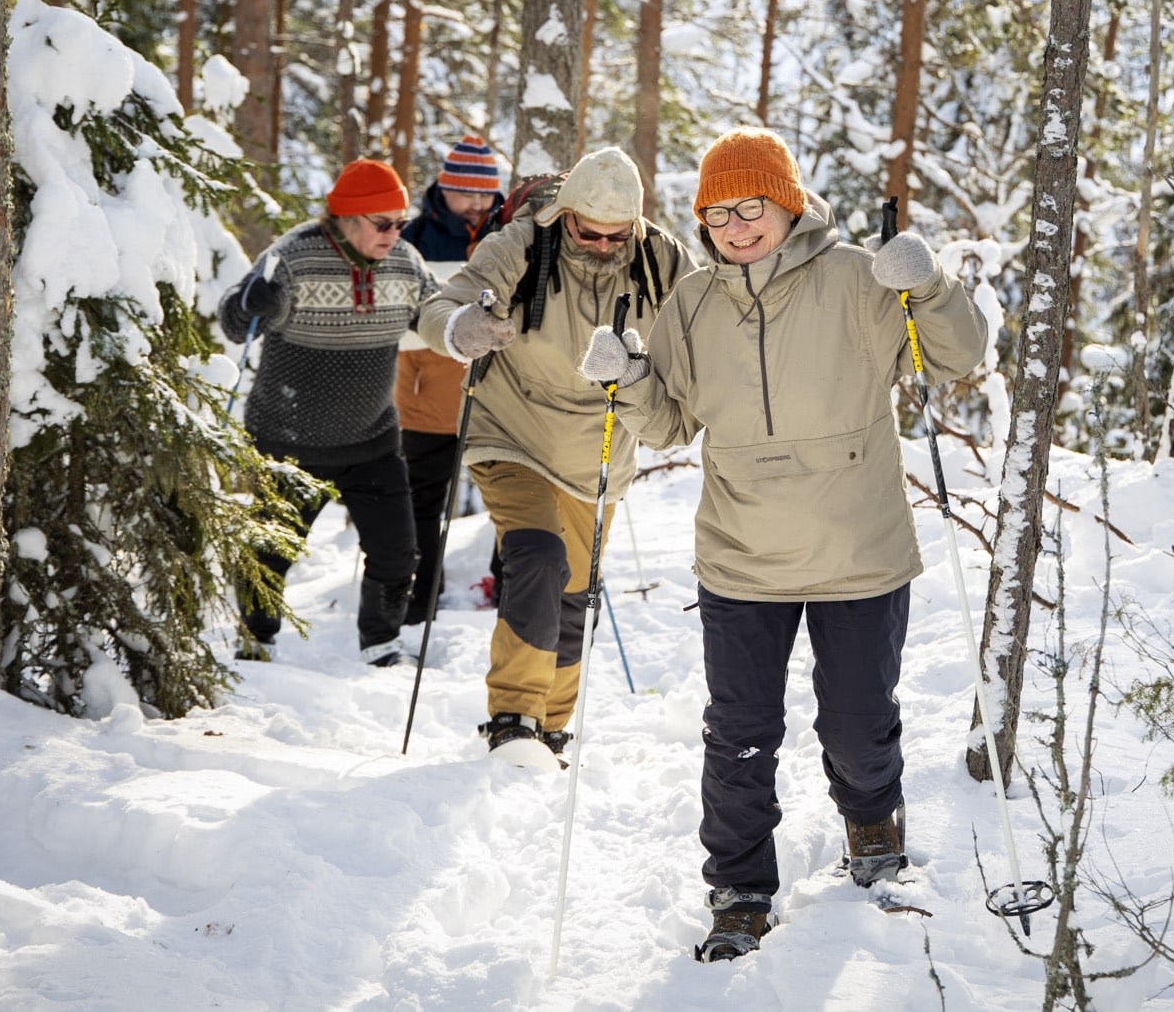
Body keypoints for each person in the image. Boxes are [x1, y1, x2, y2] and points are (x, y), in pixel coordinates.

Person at [576, 128, 988, 961]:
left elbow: (956, 356)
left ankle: (873, 822)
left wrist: (931, 284)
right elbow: (667, 423)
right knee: (740, 734)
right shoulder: (691, 303)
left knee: (859, 723)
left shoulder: (854, 279)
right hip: (741, 555)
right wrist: (628, 376)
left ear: (788, 202)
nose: (734, 226)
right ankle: (739, 890)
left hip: (858, 549)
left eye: (750, 206)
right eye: (716, 212)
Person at [419, 147, 692, 767]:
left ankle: (551, 728)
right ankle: (512, 717)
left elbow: (713, 315)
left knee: (575, 591)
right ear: (563, 214)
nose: (600, 244)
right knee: (537, 558)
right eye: (585, 231)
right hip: (510, 429)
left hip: (598, 446)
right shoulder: (521, 244)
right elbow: (441, 304)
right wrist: (460, 327)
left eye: (614, 234)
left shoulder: (661, 258)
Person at [218, 158, 438, 666]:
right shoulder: (293, 258)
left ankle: (382, 645)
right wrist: (251, 302)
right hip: (288, 438)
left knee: (397, 551)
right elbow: (235, 321)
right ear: (348, 219)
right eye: (383, 224)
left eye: (400, 222)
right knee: (270, 552)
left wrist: (468, 325)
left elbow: (434, 312)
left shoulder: (405, 263)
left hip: (373, 439)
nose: (394, 234)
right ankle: (256, 640)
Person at [393, 135, 506, 624]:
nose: (478, 202)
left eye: (485, 194)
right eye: (468, 193)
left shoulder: (508, 231)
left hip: (499, 387)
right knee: (422, 500)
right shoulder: (414, 235)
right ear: (446, 188)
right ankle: (417, 599)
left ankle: (509, 589)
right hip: (428, 387)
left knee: (510, 496)